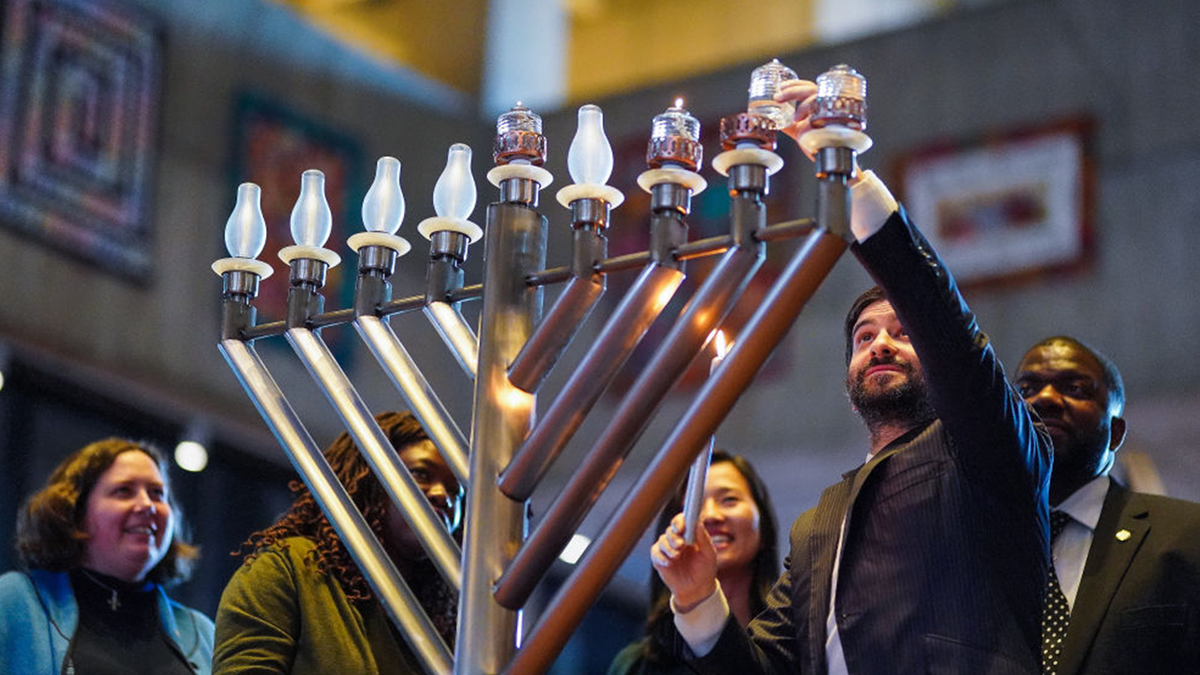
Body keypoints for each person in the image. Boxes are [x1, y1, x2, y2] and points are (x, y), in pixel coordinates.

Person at [650, 78, 1052, 675]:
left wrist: (849, 176)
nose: (882, 344)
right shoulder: (820, 523)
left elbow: (947, 329)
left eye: (902, 331)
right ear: (848, 372)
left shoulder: (985, 448)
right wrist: (696, 597)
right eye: (864, 338)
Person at [212, 411, 462, 674]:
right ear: (370, 478)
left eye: (455, 491)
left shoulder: (444, 625)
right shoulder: (289, 569)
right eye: (421, 474)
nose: (441, 495)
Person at [1015, 336, 1200, 675]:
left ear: (1116, 433)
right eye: (1026, 389)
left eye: (1075, 388)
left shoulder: (1188, 535)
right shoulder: (975, 542)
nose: (1045, 399)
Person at [0, 437, 214, 674]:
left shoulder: (204, 634)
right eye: (124, 491)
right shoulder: (15, 602)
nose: (147, 505)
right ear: (74, 510)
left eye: (157, 493)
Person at [607, 451, 780, 675]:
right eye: (693, 506)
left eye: (729, 500)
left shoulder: (799, 645)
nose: (709, 516)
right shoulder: (637, 665)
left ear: (763, 526)